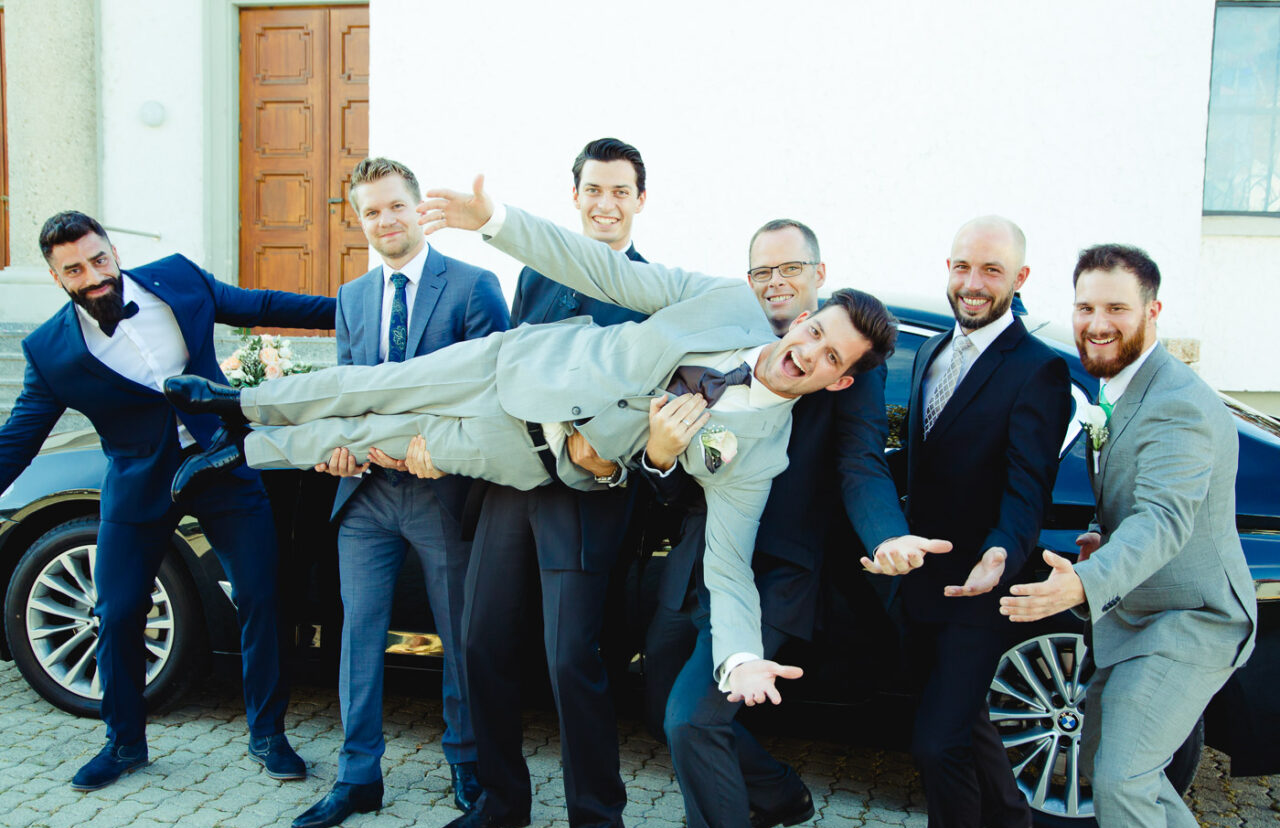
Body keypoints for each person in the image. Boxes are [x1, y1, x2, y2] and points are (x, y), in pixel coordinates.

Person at [165, 181, 898, 727]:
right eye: (812, 334)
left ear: (840, 377)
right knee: (376, 386)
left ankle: (242, 452)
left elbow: (728, 566)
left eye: (827, 357)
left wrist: (739, 656)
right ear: (803, 319)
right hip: (515, 364)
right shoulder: (726, 302)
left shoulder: (761, 454)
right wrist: (497, 222)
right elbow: (606, 273)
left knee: (375, 438)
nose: (804, 354)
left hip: (526, 452)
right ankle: (232, 404)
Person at [639, 219, 950, 828]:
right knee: (658, 704)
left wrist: (886, 535)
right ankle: (780, 792)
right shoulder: (728, 340)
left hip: (774, 574)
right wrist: (660, 456)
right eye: (763, 271)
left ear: (819, 277)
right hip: (699, 560)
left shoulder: (844, 364)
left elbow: (861, 465)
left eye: (791, 270)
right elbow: (679, 475)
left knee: (693, 722)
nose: (776, 282)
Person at [0, 211, 335, 791]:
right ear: (58, 278)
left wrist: (350, 311)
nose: (95, 275)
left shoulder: (178, 279)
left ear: (113, 252)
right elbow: (19, 439)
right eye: (76, 268)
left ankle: (268, 734)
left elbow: (258, 306)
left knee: (261, 596)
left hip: (221, 465)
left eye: (100, 259)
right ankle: (124, 742)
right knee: (118, 611)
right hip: (138, 482)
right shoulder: (50, 352)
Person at [1001, 244, 1256, 828]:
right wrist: (1103, 539)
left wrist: (1083, 583)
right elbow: (1139, 503)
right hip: (1141, 611)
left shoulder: (1176, 405)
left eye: (1116, 307)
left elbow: (1166, 517)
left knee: (1121, 776)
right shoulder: (1122, 386)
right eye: (1086, 307)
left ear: (1153, 310)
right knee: (1106, 762)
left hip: (1192, 616)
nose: (1097, 323)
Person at [430, 139, 648, 828]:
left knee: (568, 660)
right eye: (594, 189)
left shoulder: (650, 287)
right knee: (479, 639)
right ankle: (501, 798)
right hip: (512, 482)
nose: (606, 203)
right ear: (576, 195)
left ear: (640, 200)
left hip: (584, 494)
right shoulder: (535, 275)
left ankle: (598, 824)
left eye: (620, 190)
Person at [289, 157, 509, 828]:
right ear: (360, 222)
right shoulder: (353, 296)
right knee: (358, 635)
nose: (384, 220)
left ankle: (468, 764)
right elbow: (346, 391)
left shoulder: (474, 286)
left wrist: (437, 450)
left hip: (441, 493)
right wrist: (334, 440)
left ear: (419, 209)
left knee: (457, 633)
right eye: (370, 212)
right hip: (365, 496)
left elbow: (493, 392)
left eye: (394, 206)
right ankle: (359, 776)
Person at [862, 216, 1071, 828]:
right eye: (962, 267)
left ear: (1020, 279)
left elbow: (1028, 483)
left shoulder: (1039, 370)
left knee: (937, 739)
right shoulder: (929, 351)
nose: (972, 284)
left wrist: (1003, 550)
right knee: (966, 721)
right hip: (921, 580)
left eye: (991, 271)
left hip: (982, 589)